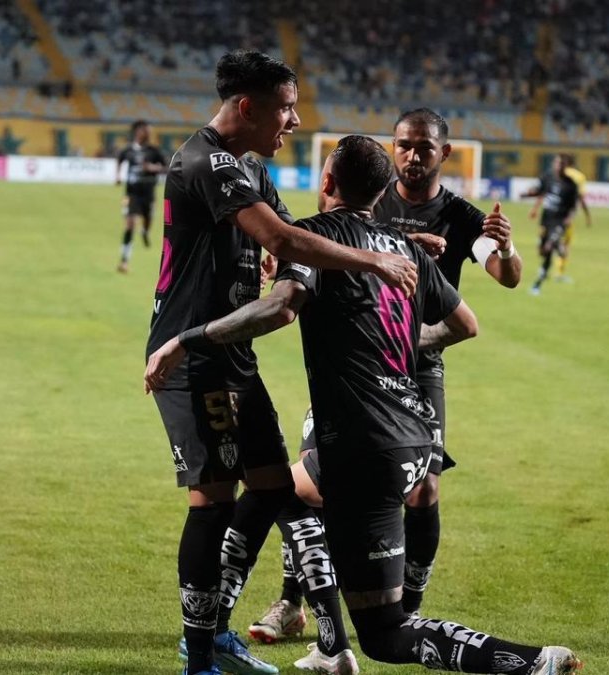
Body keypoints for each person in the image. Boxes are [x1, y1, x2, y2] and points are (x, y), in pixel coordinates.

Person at [147, 135, 580, 675]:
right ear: (382, 191)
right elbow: (465, 324)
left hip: (359, 443)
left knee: (286, 496)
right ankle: (534, 661)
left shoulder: (311, 237)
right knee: (382, 617)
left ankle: (316, 636)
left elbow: (281, 309)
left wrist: (190, 339)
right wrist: (392, 347)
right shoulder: (407, 251)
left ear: (326, 181)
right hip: (414, 435)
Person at [144, 51, 418, 675]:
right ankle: (201, 655)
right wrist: (376, 261)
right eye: (287, 106)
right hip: (192, 353)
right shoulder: (207, 161)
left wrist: (395, 240)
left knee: (270, 485)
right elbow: (284, 240)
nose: (295, 120)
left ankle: (216, 637)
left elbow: (297, 234)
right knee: (212, 501)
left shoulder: (250, 170)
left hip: (231, 355)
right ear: (248, 106)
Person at [249, 108, 523, 658]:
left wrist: (508, 249)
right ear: (390, 152)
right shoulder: (373, 195)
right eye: (403, 145)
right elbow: (322, 244)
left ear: (445, 153)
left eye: (424, 147)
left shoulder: (461, 216)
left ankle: (407, 608)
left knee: (423, 489)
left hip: (418, 364)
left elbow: (503, 277)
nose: (412, 155)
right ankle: (292, 602)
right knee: (314, 474)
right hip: (358, 367)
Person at [525, 155, 582, 296]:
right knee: (542, 251)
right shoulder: (548, 177)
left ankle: (537, 285)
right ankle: (558, 247)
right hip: (546, 220)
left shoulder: (571, 184)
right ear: (554, 164)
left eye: (562, 164)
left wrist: (570, 218)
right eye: (557, 163)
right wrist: (533, 203)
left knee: (548, 249)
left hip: (560, 221)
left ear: (566, 166)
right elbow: (539, 191)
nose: (559, 166)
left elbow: (575, 206)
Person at [115, 120, 167, 273]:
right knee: (130, 224)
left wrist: (152, 167)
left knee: (147, 219)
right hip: (132, 193)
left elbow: (165, 167)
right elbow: (120, 160)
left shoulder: (154, 151)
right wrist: (117, 175)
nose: (149, 133)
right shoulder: (129, 150)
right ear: (138, 131)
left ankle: (145, 231)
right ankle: (124, 261)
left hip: (149, 193)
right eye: (146, 130)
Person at [554, 154, 591, 282]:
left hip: (551, 213)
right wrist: (587, 215)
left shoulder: (556, 173)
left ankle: (544, 268)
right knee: (566, 243)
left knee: (551, 240)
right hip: (566, 215)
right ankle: (559, 273)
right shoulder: (579, 176)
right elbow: (580, 198)